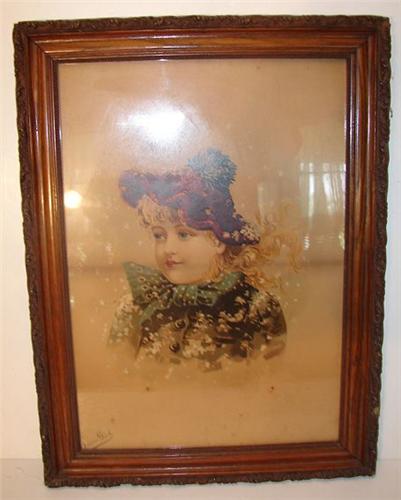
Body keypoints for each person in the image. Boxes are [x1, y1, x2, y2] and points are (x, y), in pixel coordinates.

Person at [109, 149, 287, 370]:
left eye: (184, 234)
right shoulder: (135, 306)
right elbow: (116, 374)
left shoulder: (256, 306)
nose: (168, 249)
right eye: (159, 236)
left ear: (219, 240)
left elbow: (273, 377)